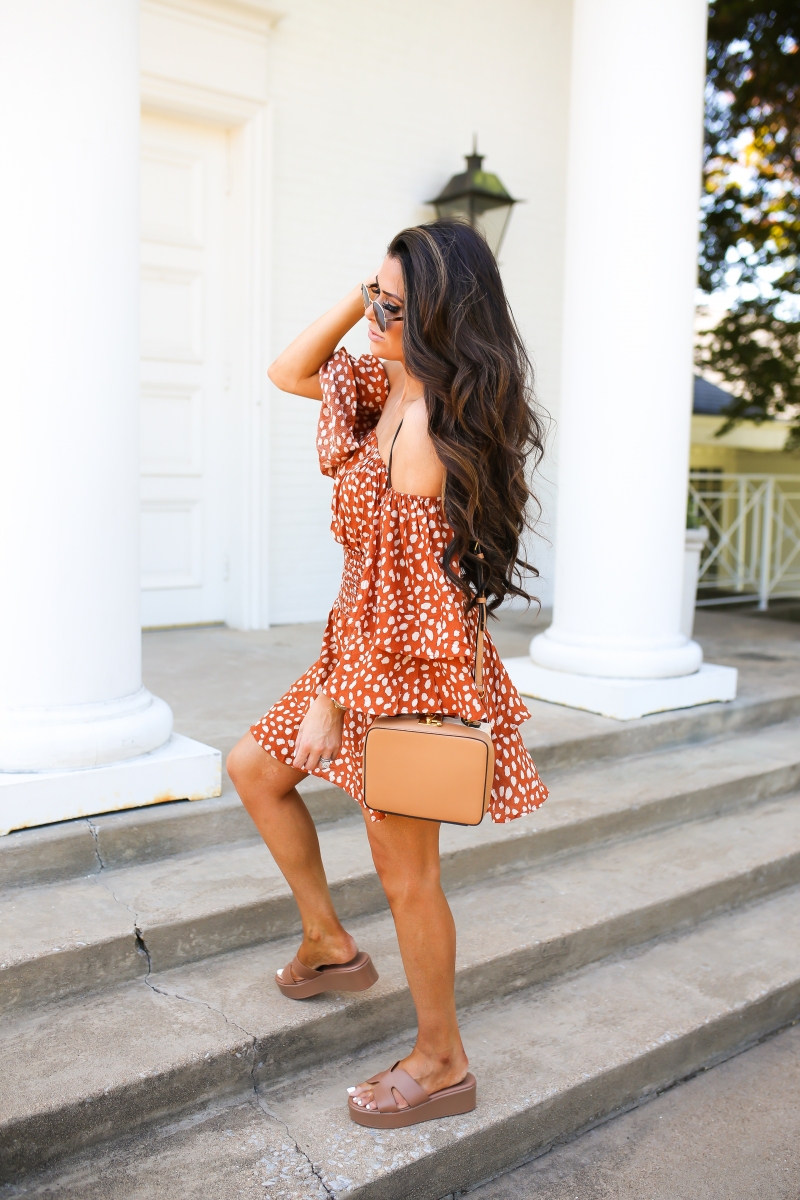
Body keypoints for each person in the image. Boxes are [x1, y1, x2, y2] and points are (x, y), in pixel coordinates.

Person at [227, 219, 549, 1129]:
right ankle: (329, 945)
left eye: (396, 307)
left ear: (443, 317)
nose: (375, 316)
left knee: (407, 878)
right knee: (255, 769)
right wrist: (368, 297)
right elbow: (290, 371)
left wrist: (332, 700)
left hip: (404, 673)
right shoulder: (391, 381)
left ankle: (443, 1061)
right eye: (376, 296)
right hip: (359, 648)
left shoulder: (427, 433)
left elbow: (404, 601)